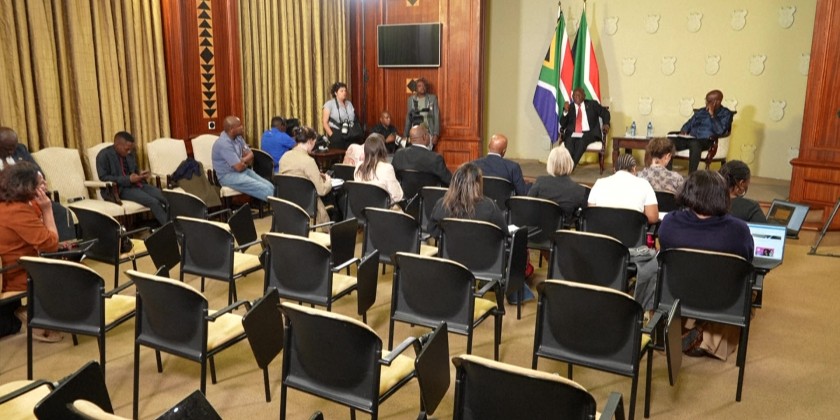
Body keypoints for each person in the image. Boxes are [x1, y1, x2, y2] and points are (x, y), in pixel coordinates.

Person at [658, 170, 753, 361]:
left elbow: (664, 250)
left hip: (678, 292)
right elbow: (747, 260)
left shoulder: (670, 222)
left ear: (687, 191)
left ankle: (681, 330)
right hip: (721, 298)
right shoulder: (738, 230)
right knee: (749, 290)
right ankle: (707, 339)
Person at [0, 162, 62, 341]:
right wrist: (47, 209)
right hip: (15, 273)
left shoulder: (9, 202)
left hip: (10, 266)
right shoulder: (17, 211)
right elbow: (50, 244)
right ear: (27, 187)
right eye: (40, 183)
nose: (45, 185)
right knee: (68, 269)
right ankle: (36, 316)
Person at [0, 127, 74, 240]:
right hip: (6, 202)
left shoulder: (20, 149)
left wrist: (39, 182)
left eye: (13, 148)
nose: (11, 152)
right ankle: (45, 245)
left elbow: (37, 171)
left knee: (61, 212)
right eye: (7, 148)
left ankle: (66, 247)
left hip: (30, 197)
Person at [96, 131, 169, 225]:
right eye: (127, 149)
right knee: (154, 202)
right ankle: (172, 230)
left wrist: (140, 174)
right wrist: (128, 179)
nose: (129, 152)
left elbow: (133, 171)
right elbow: (104, 178)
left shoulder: (129, 154)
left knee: (167, 198)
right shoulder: (103, 155)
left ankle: (178, 225)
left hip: (137, 184)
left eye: (130, 149)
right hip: (120, 189)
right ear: (117, 145)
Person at [428, 162, 506, 238]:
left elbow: (431, 230)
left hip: (450, 247)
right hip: (480, 246)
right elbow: (504, 234)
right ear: (478, 184)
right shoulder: (490, 207)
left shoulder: (442, 204)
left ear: (454, 182)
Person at [212, 116, 275, 202]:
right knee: (266, 190)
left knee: (271, 186)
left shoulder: (238, 138)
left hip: (243, 171)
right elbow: (239, 167)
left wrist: (243, 160)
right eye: (239, 125)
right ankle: (281, 207)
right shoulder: (224, 144)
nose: (242, 127)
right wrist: (245, 162)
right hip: (228, 176)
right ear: (231, 129)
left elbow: (251, 154)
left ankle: (277, 206)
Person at [279, 126, 334, 224]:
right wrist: (329, 181)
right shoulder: (309, 161)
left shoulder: (284, 157)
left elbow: (291, 178)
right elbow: (322, 190)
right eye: (314, 142)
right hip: (306, 203)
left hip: (286, 201)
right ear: (310, 142)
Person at [673, 89, 734, 173]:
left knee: (695, 144)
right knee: (668, 142)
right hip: (690, 138)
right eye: (706, 100)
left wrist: (712, 115)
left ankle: (692, 176)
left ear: (717, 102)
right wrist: (684, 131)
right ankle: (666, 173)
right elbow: (688, 123)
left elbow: (720, 131)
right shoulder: (701, 111)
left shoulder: (726, 114)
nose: (706, 103)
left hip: (707, 141)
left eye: (709, 101)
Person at [588, 154, 659, 225]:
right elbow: (653, 218)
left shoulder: (599, 183)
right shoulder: (644, 184)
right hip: (632, 231)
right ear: (634, 169)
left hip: (602, 230)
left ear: (614, 169)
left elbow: (592, 213)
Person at [528, 145, 587, 221]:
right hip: (564, 227)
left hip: (540, 225)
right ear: (570, 163)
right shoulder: (579, 190)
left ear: (550, 163)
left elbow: (528, 204)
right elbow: (584, 216)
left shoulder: (540, 182)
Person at [559, 87, 611, 168]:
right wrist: (565, 111)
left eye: (579, 95)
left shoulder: (592, 104)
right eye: (575, 95)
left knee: (582, 141)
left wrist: (606, 124)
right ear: (572, 97)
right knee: (569, 141)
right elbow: (563, 123)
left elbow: (605, 113)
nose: (577, 96)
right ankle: (569, 164)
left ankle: (570, 166)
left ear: (584, 96)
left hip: (589, 133)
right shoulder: (570, 107)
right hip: (573, 133)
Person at [354, 133, 404, 205]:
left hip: (361, 209)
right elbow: (397, 196)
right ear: (383, 149)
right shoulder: (387, 168)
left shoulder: (358, 167)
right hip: (382, 210)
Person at [322, 82, 362, 150]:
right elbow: (324, 122)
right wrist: (332, 135)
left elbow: (353, 118)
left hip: (351, 133)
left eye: (345, 91)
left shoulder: (349, 103)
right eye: (341, 91)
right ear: (335, 93)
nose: (344, 93)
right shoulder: (329, 104)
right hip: (337, 133)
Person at [404, 78, 440, 147]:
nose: (422, 87)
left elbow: (436, 116)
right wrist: (405, 135)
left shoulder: (432, 98)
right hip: (415, 133)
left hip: (428, 132)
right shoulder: (411, 100)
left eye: (424, 86)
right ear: (416, 88)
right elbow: (408, 118)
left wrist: (436, 134)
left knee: (426, 152)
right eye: (419, 86)